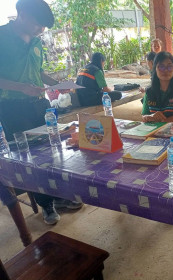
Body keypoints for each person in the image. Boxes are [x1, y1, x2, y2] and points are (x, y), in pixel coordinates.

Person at [0, 0, 83, 225]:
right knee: (29, 157)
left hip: (40, 104)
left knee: (52, 149)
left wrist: (57, 83)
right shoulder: (1, 37)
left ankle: (59, 196)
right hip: (13, 108)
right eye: (39, 24)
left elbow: (38, 71)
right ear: (22, 14)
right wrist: (21, 88)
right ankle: (46, 205)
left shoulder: (37, 42)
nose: (42, 29)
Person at [141, 52, 173, 124]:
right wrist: (151, 116)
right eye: (161, 67)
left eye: (169, 67)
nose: (166, 70)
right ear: (155, 69)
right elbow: (144, 115)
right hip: (153, 131)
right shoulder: (149, 91)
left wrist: (160, 121)